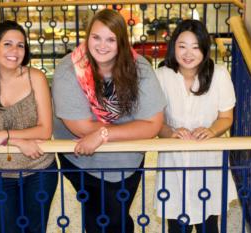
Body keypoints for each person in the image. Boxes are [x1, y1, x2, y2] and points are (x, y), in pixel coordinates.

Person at [52, 9, 166, 233]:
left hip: (128, 158)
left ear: (121, 42)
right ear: (87, 37)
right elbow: (81, 127)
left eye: (111, 39)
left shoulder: (140, 68)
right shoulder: (69, 70)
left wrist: (104, 133)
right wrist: (130, 128)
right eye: (96, 37)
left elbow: (152, 124)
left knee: (113, 216)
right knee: (102, 218)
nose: (102, 45)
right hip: (81, 159)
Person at [0, 20, 57, 233]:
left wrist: (2, 135)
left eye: (20, 45)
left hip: (40, 170)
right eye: (8, 44)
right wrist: (17, 141)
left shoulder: (36, 78)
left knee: (35, 230)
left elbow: (45, 130)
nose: (15, 50)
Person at [154, 19, 237, 233]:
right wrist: (170, 132)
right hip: (173, 160)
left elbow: (226, 117)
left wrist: (211, 130)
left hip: (208, 160)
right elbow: (155, 122)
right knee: (176, 225)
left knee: (208, 225)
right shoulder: (162, 76)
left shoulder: (219, 75)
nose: (188, 53)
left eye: (195, 47)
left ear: (204, 49)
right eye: (182, 46)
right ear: (174, 47)